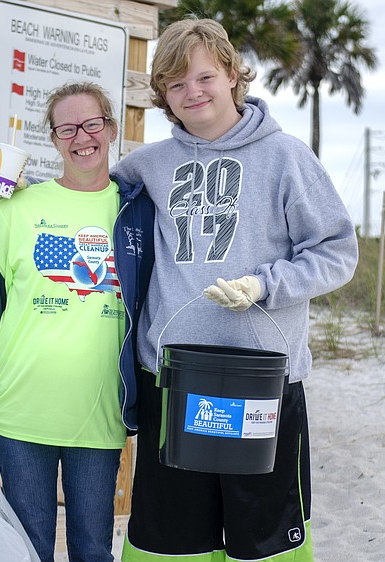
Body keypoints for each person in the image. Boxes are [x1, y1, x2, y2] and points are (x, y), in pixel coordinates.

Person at [111, 18, 359, 562]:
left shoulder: (287, 157)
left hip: (262, 383)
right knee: (170, 541)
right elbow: (85, 203)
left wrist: (265, 284)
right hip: (172, 381)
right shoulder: (147, 165)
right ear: (163, 97)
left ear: (231, 74)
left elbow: (337, 252)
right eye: (175, 85)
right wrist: (22, 195)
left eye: (203, 77)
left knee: (265, 543)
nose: (192, 93)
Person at [0, 81, 154, 562]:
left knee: (93, 551)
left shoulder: (138, 213)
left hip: (99, 417)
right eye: (67, 128)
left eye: (92, 123)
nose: (82, 136)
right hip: (19, 417)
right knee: (28, 550)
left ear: (111, 128)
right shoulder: (19, 208)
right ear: (54, 139)